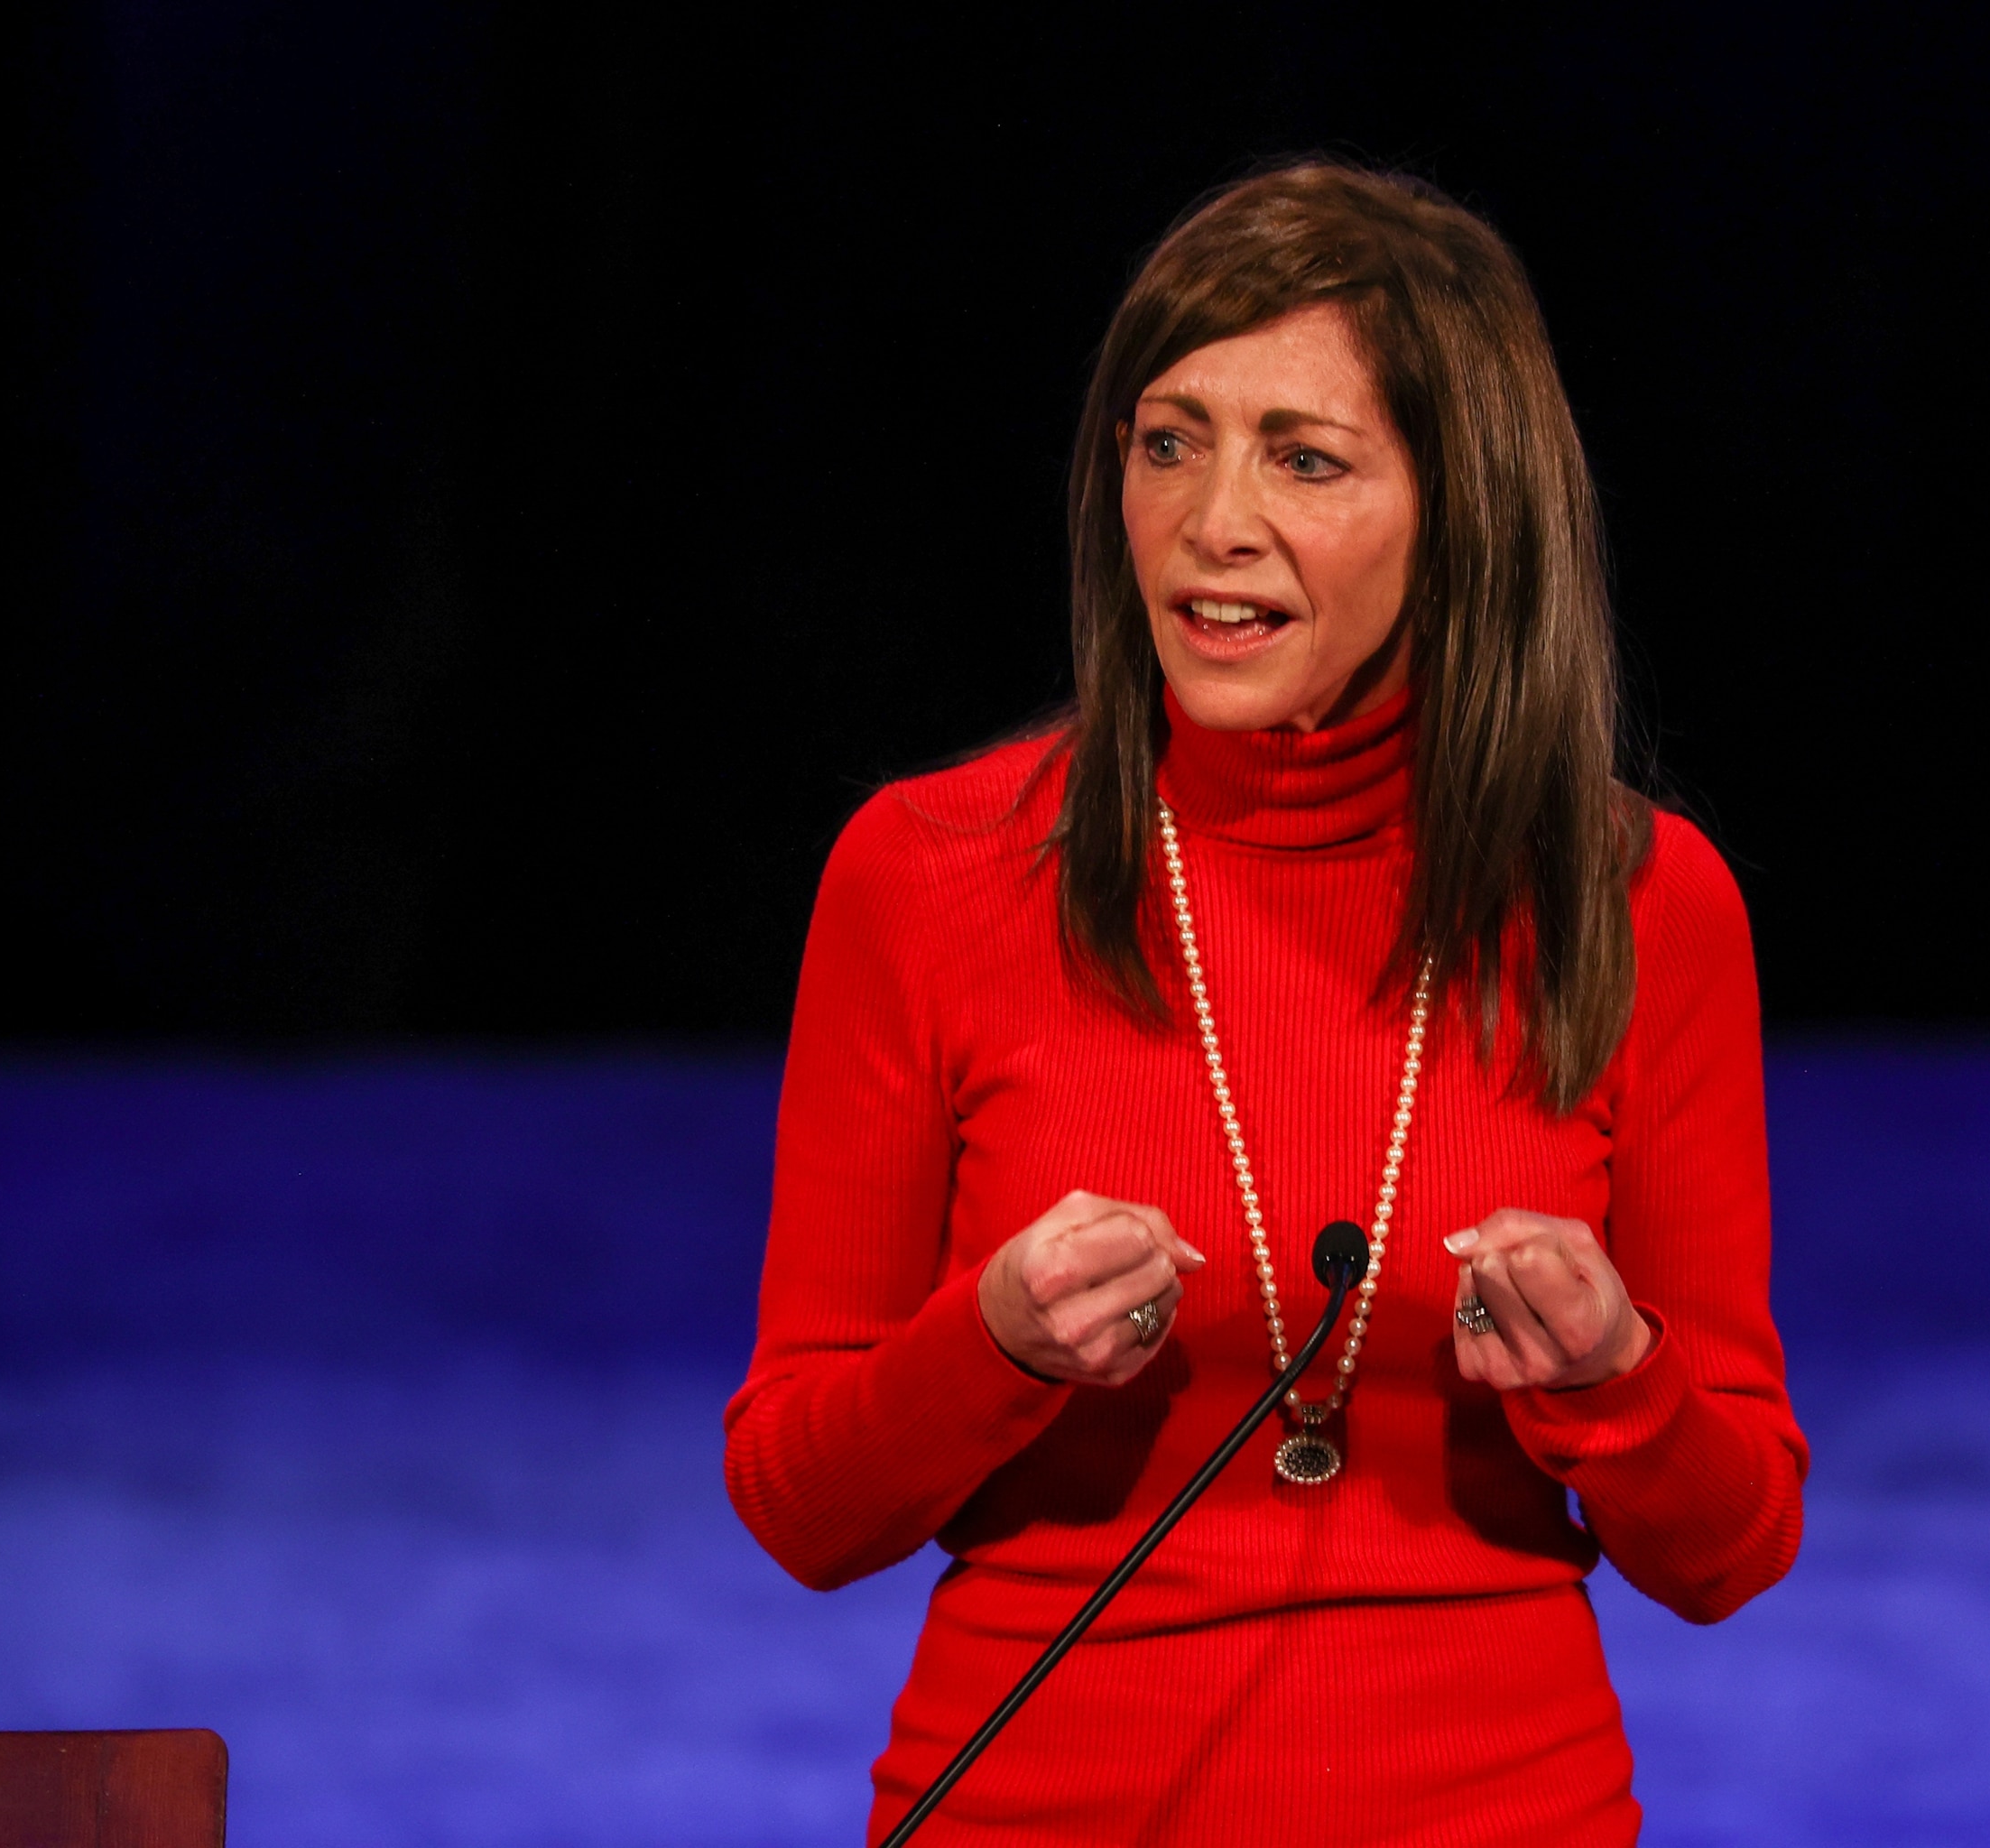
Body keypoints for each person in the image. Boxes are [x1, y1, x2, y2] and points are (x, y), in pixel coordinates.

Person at [724, 160, 1807, 1845]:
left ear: (1464, 511)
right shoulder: (925, 876)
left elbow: (1733, 1546)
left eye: (1303, 459)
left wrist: (1615, 1375)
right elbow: (798, 1500)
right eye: (1170, 440)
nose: (1211, 520)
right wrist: (992, 1345)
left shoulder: (1640, 901)